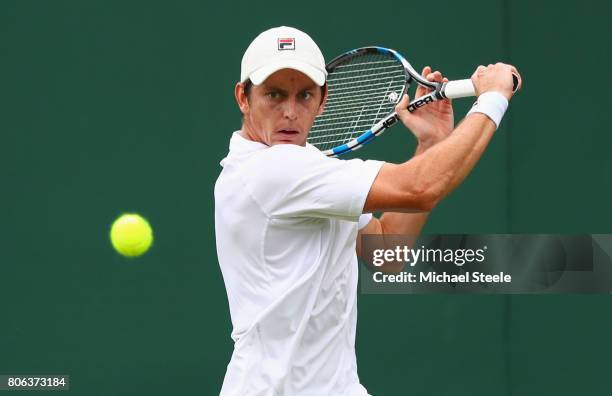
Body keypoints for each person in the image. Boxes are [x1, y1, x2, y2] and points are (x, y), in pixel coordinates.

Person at [214, 26, 521, 396]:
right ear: (243, 98)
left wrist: (431, 144)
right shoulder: (268, 172)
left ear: (322, 100)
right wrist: (492, 98)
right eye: (274, 95)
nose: (290, 112)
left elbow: (385, 252)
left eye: (304, 95)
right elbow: (421, 187)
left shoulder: (307, 166)